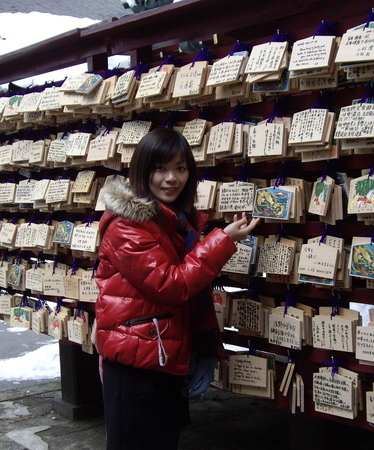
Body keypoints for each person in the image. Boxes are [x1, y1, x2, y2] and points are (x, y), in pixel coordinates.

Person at [94, 127, 259, 449]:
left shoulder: (174, 224)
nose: (171, 178)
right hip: (136, 364)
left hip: (160, 356)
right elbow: (172, 284)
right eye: (160, 168)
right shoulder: (127, 225)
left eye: (180, 168)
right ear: (143, 171)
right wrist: (222, 241)